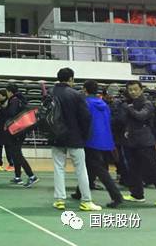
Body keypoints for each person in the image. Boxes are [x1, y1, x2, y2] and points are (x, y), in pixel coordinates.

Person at [50, 68, 101, 211]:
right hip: (74, 137)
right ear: (71, 79)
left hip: (56, 136)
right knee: (81, 169)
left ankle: (60, 200)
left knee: (58, 168)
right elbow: (86, 117)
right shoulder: (76, 95)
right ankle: (86, 201)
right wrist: (84, 135)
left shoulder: (50, 93)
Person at [71, 80, 123, 208]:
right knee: (91, 167)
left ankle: (117, 196)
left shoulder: (85, 103)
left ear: (84, 89)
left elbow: (83, 121)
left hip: (91, 140)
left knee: (99, 169)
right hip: (106, 140)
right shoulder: (103, 104)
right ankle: (79, 192)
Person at [119, 81, 156, 207]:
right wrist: (127, 130)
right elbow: (126, 121)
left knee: (153, 171)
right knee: (133, 170)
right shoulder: (128, 104)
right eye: (130, 89)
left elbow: (141, 116)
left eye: (135, 89)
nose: (133, 92)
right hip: (132, 143)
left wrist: (129, 108)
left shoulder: (147, 104)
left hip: (146, 143)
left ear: (141, 90)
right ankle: (137, 195)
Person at [2, 84, 39, 187]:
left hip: (16, 131)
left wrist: (5, 107)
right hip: (21, 130)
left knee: (17, 154)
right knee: (15, 153)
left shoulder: (14, 100)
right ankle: (17, 176)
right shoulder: (21, 99)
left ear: (10, 92)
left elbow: (11, 113)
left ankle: (31, 176)